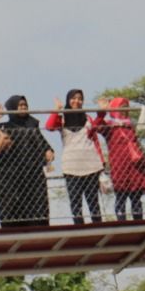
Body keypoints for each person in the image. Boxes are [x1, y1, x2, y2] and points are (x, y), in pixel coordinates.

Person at [0, 96, 52, 227]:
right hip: (10, 177)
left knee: (38, 210)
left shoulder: (32, 126)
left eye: (25, 105)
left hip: (32, 176)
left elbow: (44, 145)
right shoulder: (4, 126)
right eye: (20, 105)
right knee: (12, 211)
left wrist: (49, 151)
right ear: (12, 108)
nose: (23, 107)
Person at [45, 88, 106, 224]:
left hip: (91, 164)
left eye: (79, 98)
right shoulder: (62, 118)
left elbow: (95, 129)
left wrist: (101, 112)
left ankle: (98, 229)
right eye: (73, 98)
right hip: (71, 166)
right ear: (68, 100)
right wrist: (57, 110)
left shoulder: (87, 118)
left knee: (93, 202)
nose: (76, 101)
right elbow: (49, 126)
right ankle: (81, 230)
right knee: (75, 202)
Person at [95, 97, 145, 221]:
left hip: (134, 166)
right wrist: (101, 111)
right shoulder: (110, 125)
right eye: (121, 107)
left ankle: (139, 224)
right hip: (119, 166)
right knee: (121, 197)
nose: (124, 111)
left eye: (126, 107)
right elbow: (97, 126)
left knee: (136, 198)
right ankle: (122, 223)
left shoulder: (130, 125)